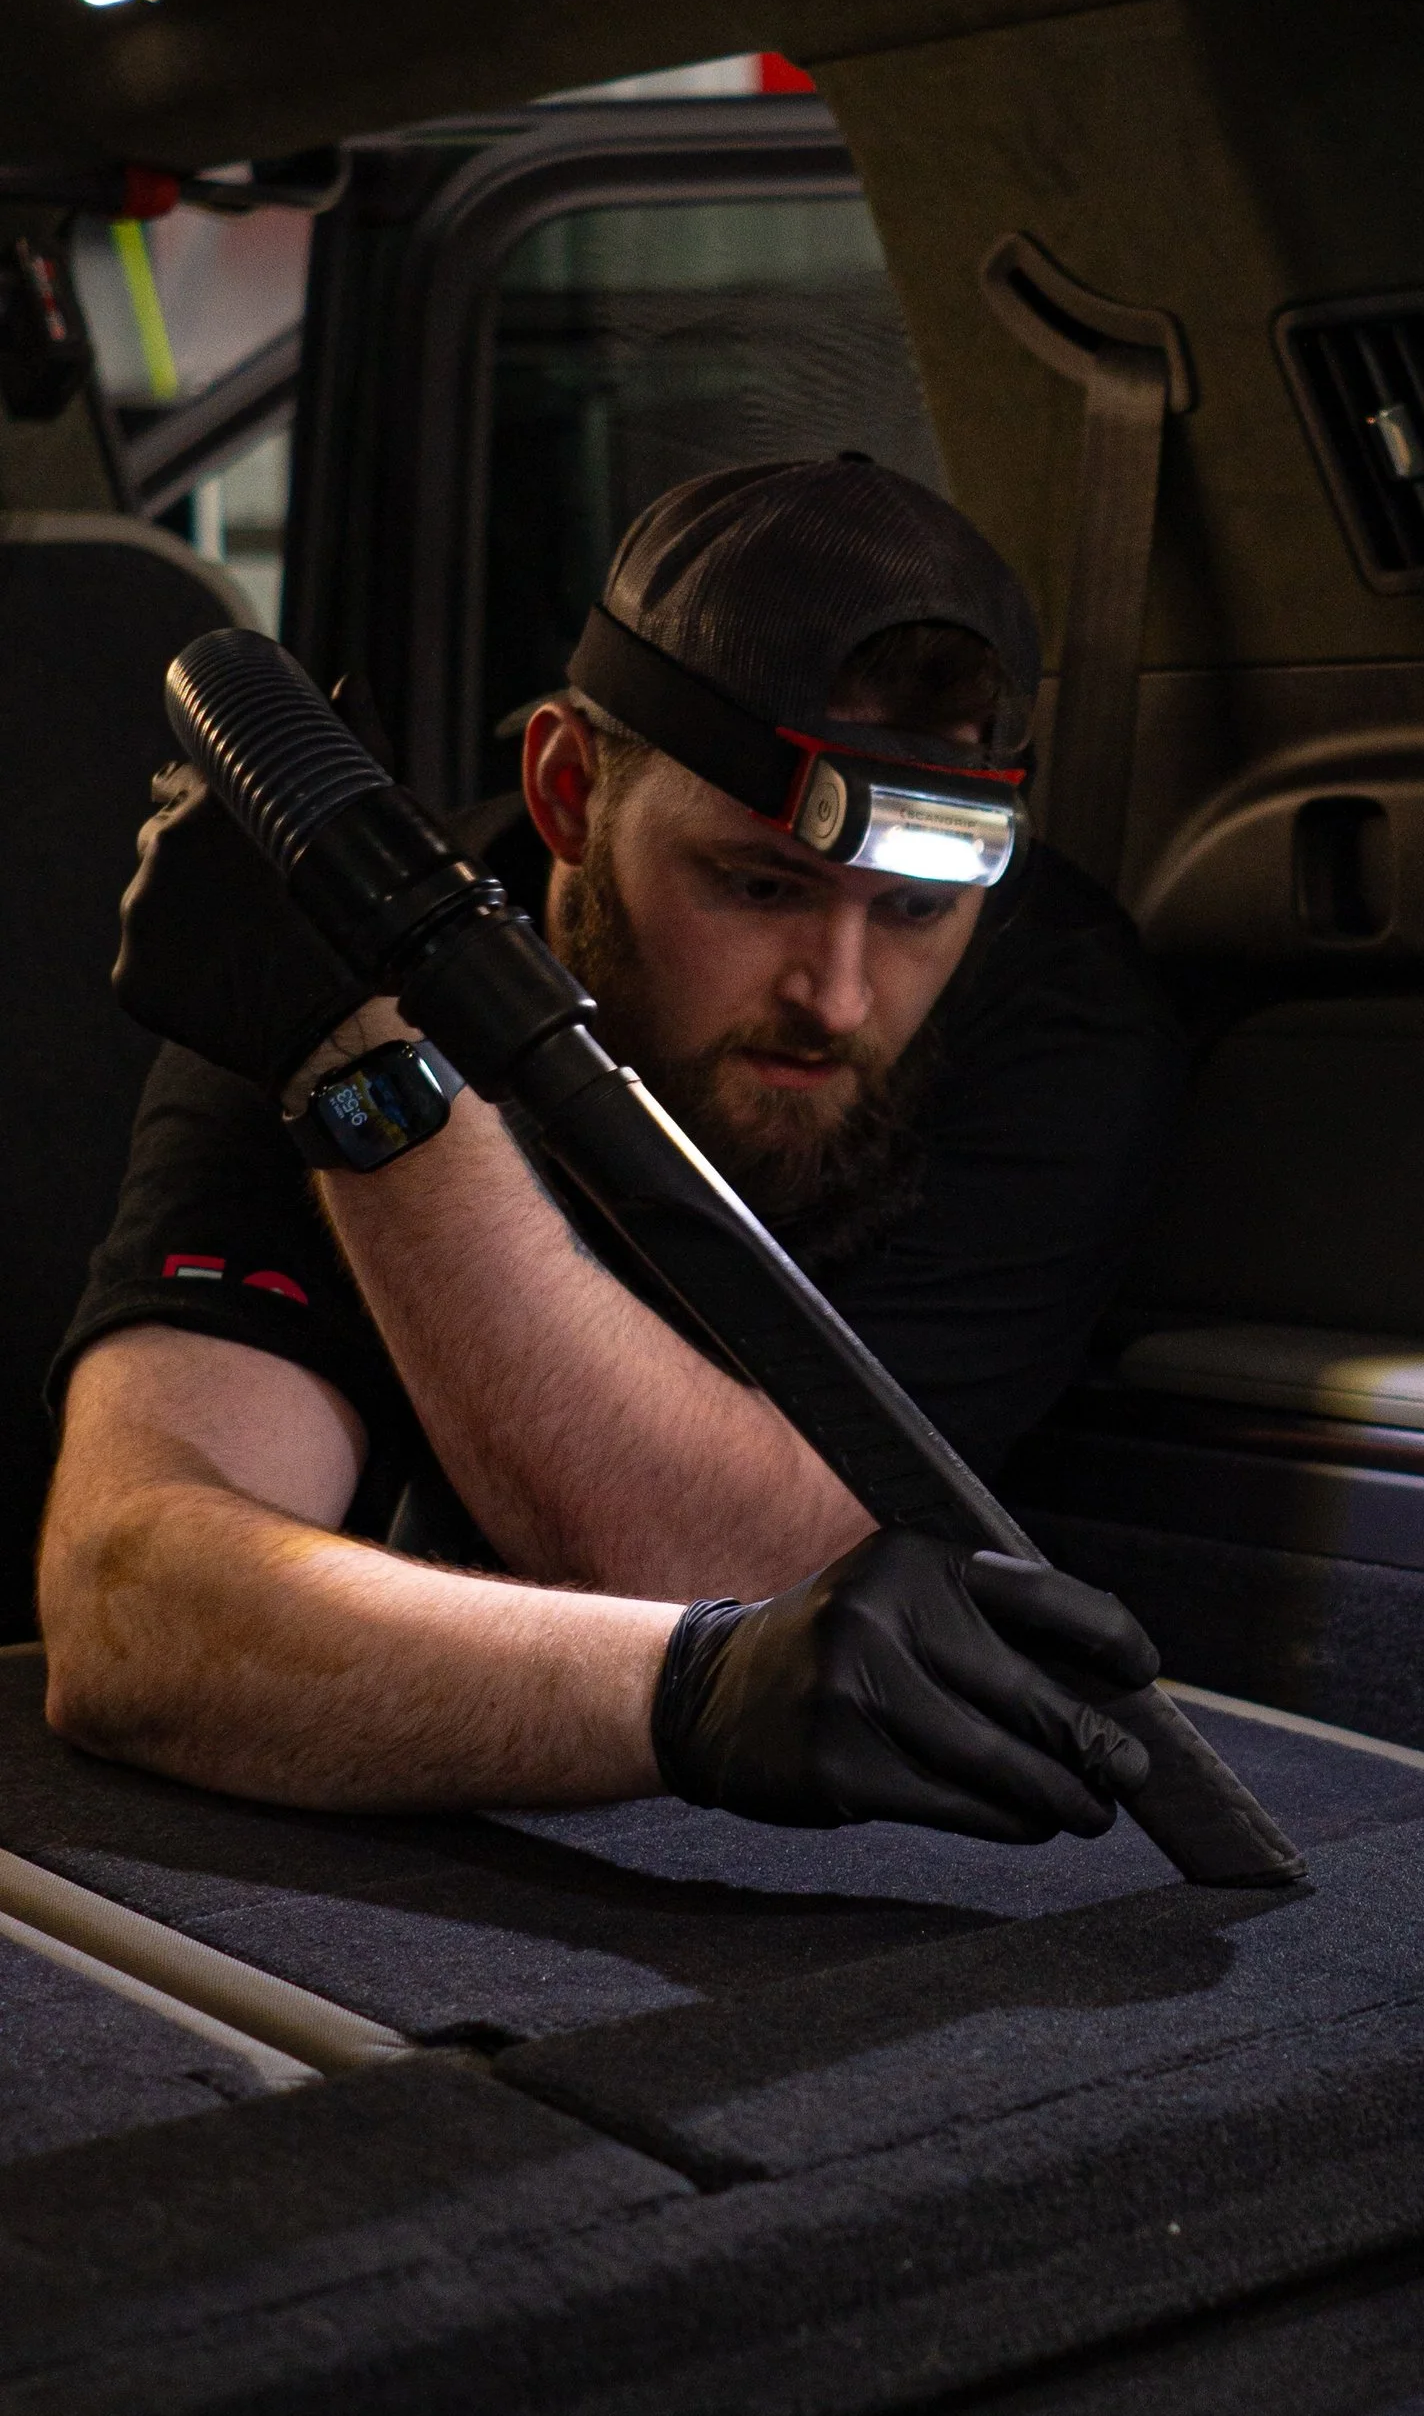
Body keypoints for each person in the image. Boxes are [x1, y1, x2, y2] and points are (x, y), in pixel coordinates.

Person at [37, 459, 1186, 1841]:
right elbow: (129, 1602)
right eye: (759, 884)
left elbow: (751, 1552)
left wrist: (679, 1678)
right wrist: (370, 1072)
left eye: (915, 910)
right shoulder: (328, 961)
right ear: (570, 788)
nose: (837, 996)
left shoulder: (1050, 1016)